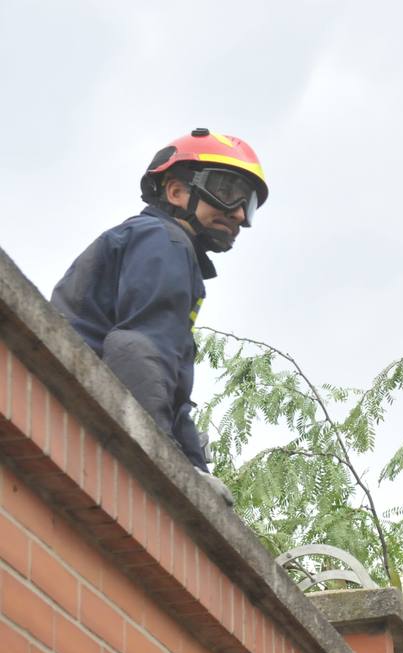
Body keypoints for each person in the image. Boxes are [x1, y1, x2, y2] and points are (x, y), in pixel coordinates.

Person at [51, 129, 269, 506]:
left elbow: (168, 385)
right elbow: (139, 349)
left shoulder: (163, 245)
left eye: (246, 203)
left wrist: (194, 470)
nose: (236, 212)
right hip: (73, 423)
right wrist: (160, 462)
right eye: (226, 189)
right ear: (175, 191)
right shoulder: (163, 241)